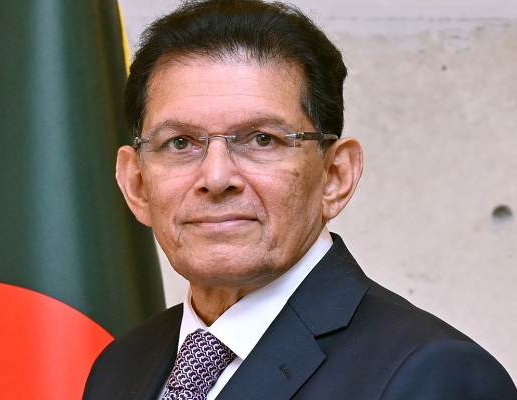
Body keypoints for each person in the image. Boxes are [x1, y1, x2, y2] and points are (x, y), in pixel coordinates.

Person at [83, 0, 517, 399]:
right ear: (136, 184)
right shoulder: (119, 366)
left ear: (335, 176)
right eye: (180, 142)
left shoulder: (434, 375)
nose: (215, 178)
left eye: (261, 139)